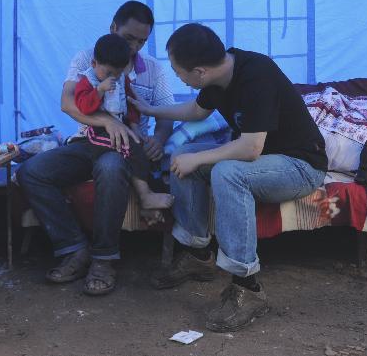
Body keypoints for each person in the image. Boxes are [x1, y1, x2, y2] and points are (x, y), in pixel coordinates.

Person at [130, 23, 328, 331]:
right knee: (184, 156)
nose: (178, 77)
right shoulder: (220, 72)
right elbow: (195, 112)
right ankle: (198, 254)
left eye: (178, 71)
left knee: (225, 171)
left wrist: (198, 158)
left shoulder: (256, 75)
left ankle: (247, 288)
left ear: (199, 72)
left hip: (299, 166)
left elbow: (250, 148)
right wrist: (149, 109)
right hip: (264, 160)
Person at [16, 1, 175, 296]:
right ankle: (74, 248)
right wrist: (106, 120)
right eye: (129, 38)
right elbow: (67, 103)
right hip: (86, 141)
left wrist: (159, 140)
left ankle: (103, 259)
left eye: (142, 41)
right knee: (32, 172)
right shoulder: (88, 59)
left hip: (125, 149)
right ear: (113, 28)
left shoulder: (152, 69)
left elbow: (166, 113)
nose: (135, 47)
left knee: (111, 166)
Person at [73, 33, 174, 211]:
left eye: (119, 72)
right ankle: (145, 196)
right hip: (96, 134)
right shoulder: (86, 80)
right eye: (109, 73)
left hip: (121, 127)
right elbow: (82, 107)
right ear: (94, 64)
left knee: (141, 146)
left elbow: (130, 103)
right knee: (131, 148)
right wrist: (99, 91)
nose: (114, 77)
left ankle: (150, 198)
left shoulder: (121, 78)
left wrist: (135, 126)